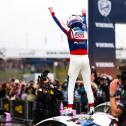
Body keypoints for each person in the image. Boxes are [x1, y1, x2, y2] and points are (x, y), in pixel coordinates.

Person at [48, 7, 94, 113]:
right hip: (85, 59)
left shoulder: (69, 31)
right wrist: (84, 14)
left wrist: (52, 13)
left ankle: (69, 109)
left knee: (71, 86)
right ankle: (92, 108)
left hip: (75, 59)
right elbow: (85, 21)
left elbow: (59, 23)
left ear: (71, 22)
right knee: (88, 85)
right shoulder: (84, 29)